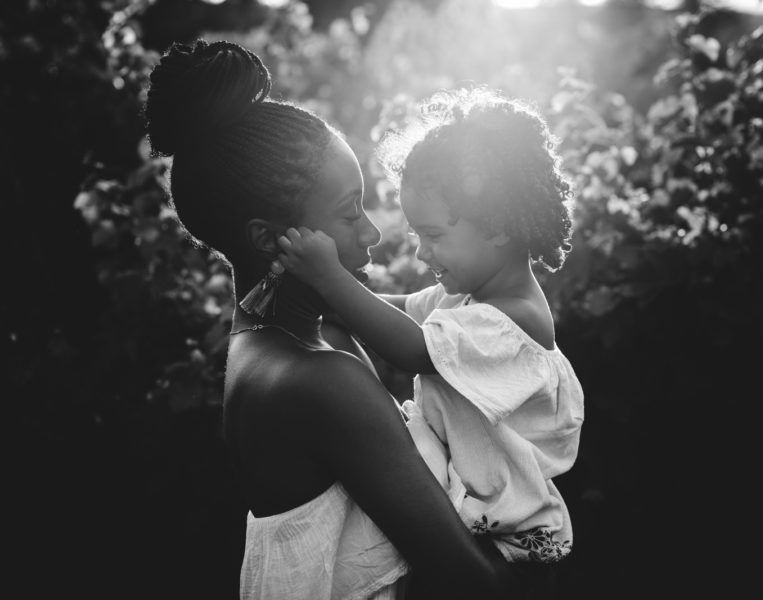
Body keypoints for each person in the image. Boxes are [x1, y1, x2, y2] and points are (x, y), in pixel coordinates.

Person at [144, 40, 521, 600]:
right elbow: (475, 585)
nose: (371, 233)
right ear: (269, 239)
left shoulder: (277, 341)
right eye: (349, 213)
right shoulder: (320, 378)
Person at [276, 88, 585, 581]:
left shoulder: (513, 319)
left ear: (499, 226)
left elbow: (412, 347)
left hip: (514, 543)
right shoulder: (468, 298)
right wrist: (335, 301)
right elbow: (399, 314)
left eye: (435, 236)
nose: (422, 253)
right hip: (478, 515)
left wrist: (329, 278)